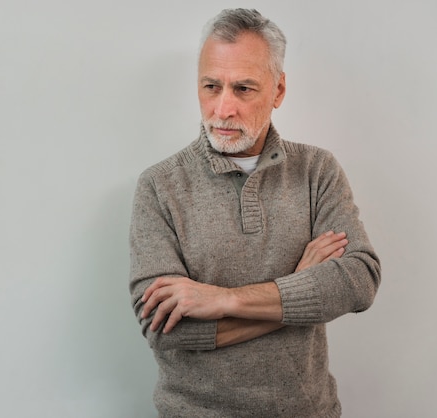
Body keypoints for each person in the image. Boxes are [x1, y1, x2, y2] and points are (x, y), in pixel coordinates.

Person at [129, 8, 381, 417]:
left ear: (278, 91)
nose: (223, 109)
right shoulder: (159, 186)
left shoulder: (317, 170)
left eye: (244, 89)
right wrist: (300, 288)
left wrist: (223, 300)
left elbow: (358, 280)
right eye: (211, 86)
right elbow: (165, 330)